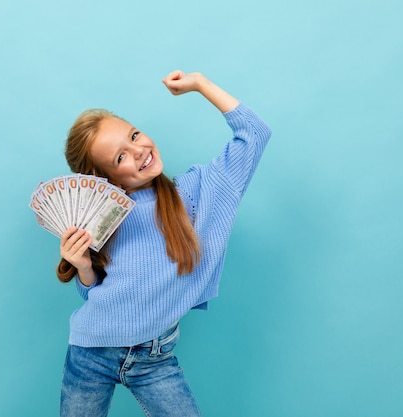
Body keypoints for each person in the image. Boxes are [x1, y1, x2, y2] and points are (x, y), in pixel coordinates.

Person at [57, 70, 272, 416]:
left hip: (154, 359)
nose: (140, 150)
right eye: (121, 157)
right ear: (103, 178)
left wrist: (200, 84)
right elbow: (93, 292)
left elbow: (256, 133)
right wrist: (83, 268)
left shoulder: (198, 192)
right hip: (90, 353)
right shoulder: (101, 215)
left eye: (135, 135)